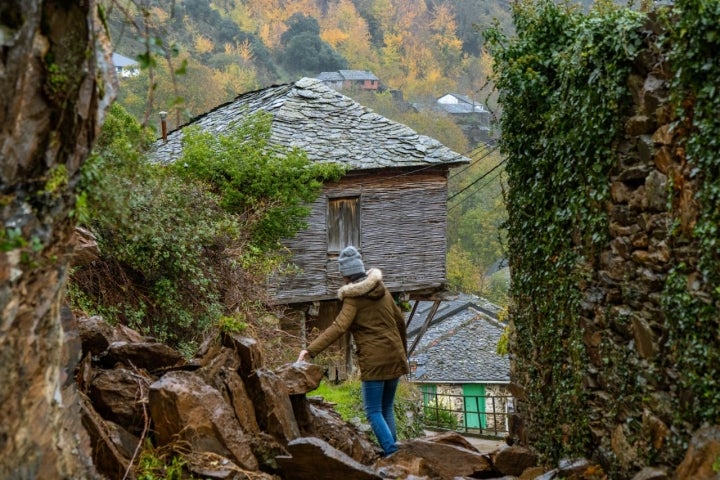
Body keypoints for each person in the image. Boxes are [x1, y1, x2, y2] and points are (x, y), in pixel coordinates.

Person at [297, 246, 409, 456]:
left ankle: (392, 453)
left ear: (345, 274)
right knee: (387, 408)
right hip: (395, 356)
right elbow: (400, 321)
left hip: (375, 361)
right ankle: (397, 454)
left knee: (373, 411)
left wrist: (310, 351)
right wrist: (403, 351)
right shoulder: (383, 291)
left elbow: (339, 327)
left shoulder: (353, 298)